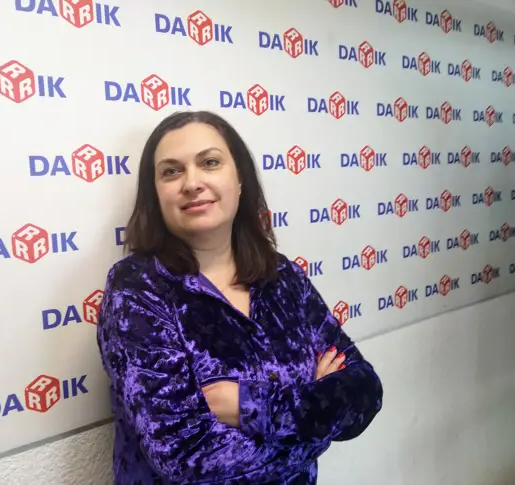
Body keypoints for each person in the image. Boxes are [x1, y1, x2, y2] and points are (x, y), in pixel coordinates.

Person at [96, 110, 383, 485]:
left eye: (209, 162)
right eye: (171, 171)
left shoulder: (284, 277)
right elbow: (186, 457)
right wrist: (316, 416)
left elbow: (365, 390)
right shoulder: (137, 288)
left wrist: (249, 406)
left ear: (240, 179)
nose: (192, 183)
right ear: (155, 195)